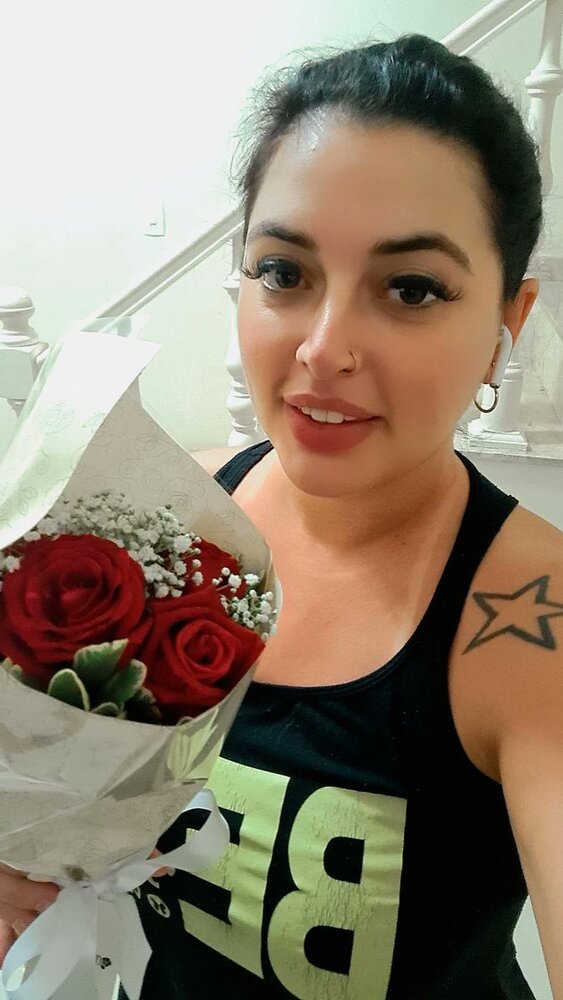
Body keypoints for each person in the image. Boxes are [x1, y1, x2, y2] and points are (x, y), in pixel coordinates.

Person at [1, 32, 562, 1000]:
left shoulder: (527, 620)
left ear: (503, 326)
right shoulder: (165, 522)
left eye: (411, 288)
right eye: (283, 272)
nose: (323, 348)